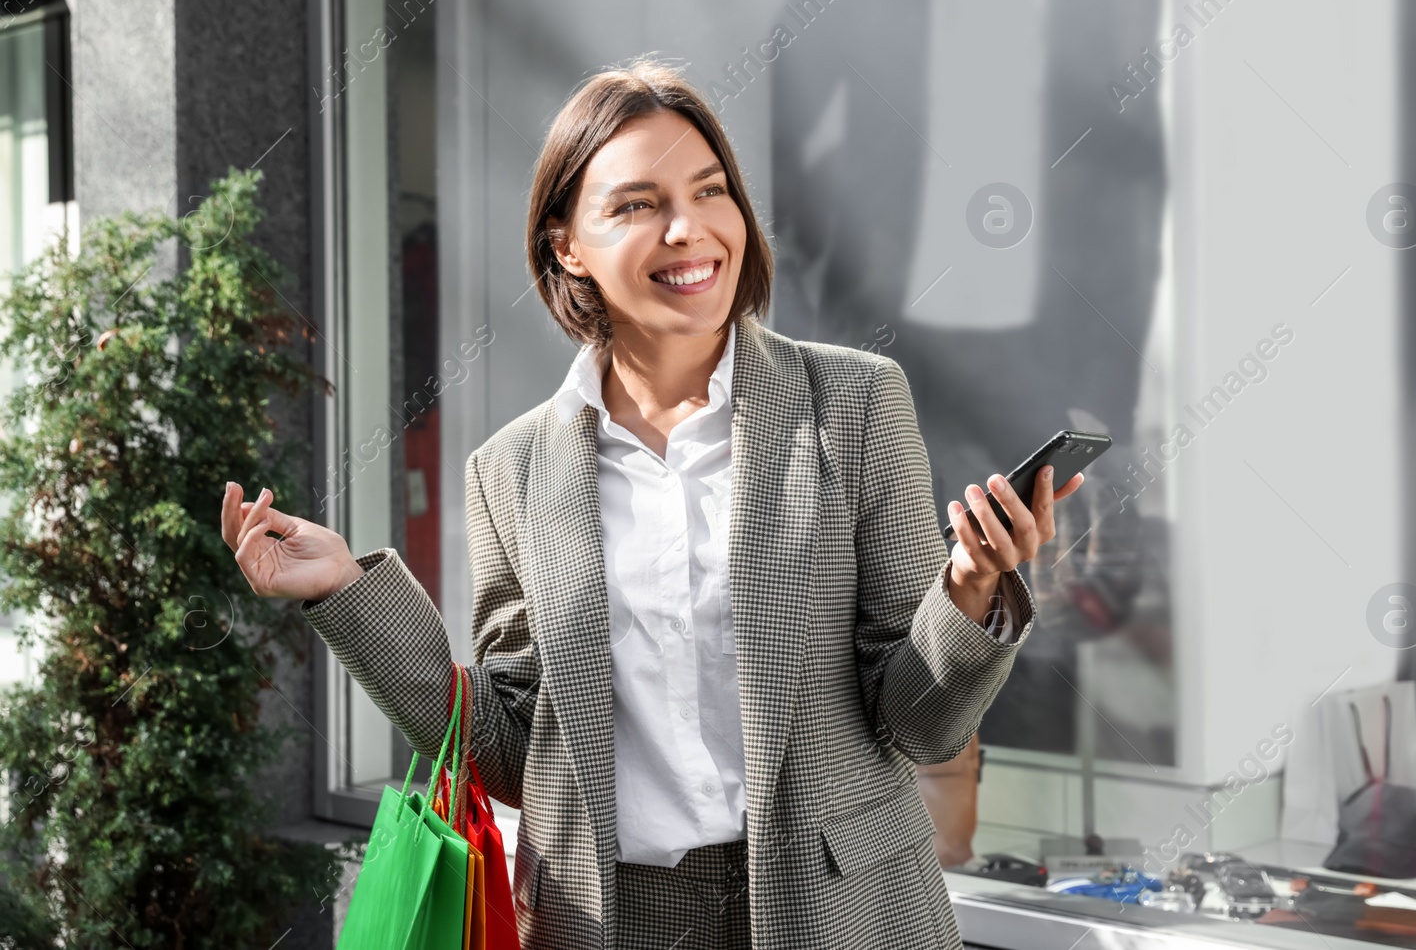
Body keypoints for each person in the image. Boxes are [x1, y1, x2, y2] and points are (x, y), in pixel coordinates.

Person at [219, 59, 1081, 950]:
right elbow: (512, 751)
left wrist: (972, 588)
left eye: (710, 192)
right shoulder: (509, 470)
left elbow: (920, 724)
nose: (689, 228)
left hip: (839, 911)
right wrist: (345, 597)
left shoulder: (855, 405)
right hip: (607, 919)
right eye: (637, 204)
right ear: (566, 245)